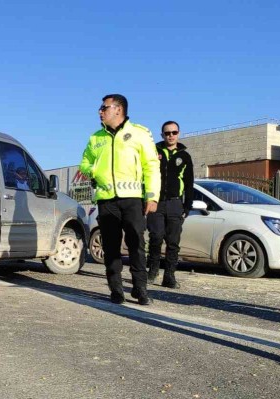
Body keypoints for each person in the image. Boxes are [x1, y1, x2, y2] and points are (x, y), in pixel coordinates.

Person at [79, 94, 161, 305]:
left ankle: (140, 289)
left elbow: (151, 166)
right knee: (111, 246)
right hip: (106, 200)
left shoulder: (139, 133)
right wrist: (94, 170)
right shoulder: (95, 138)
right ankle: (116, 290)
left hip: (132, 199)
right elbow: (84, 164)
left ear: (118, 109)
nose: (100, 111)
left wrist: (152, 196)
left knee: (136, 243)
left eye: (104, 107)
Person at [147, 121, 194, 289]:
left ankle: (169, 276)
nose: (171, 136)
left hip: (175, 204)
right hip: (156, 203)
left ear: (179, 133)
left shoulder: (185, 156)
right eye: (167, 133)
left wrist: (187, 207)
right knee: (156, 237)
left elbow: (189, 183)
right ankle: (152, 272)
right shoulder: (153, 152)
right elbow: (145, 175)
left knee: (173, 242)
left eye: (174, 132)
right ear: (162, 135)